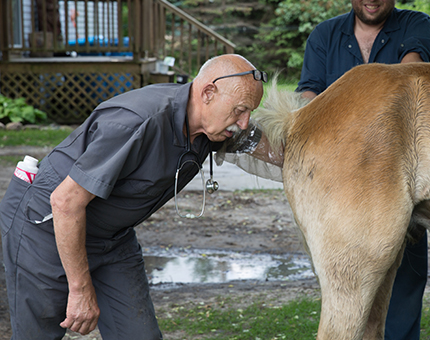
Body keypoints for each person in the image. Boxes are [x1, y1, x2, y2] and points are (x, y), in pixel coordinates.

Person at [0, 54, 280, 339]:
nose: (244, 123)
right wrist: (80, 288)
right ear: (208, 93)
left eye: (249, 113)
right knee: (38, 334)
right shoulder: (136, 122)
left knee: (139, 335)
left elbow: (265, 146)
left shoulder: (213, 124)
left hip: (111, 237)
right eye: (240, 110)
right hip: (44, 227)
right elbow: (65, 202)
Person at [296, 1, 430, 339]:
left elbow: (409, 78)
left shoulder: (418, 25)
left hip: (400, 187)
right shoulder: (324, 35)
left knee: (403, 287)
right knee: (347, 291)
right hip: (341, 190)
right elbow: (307, 98)